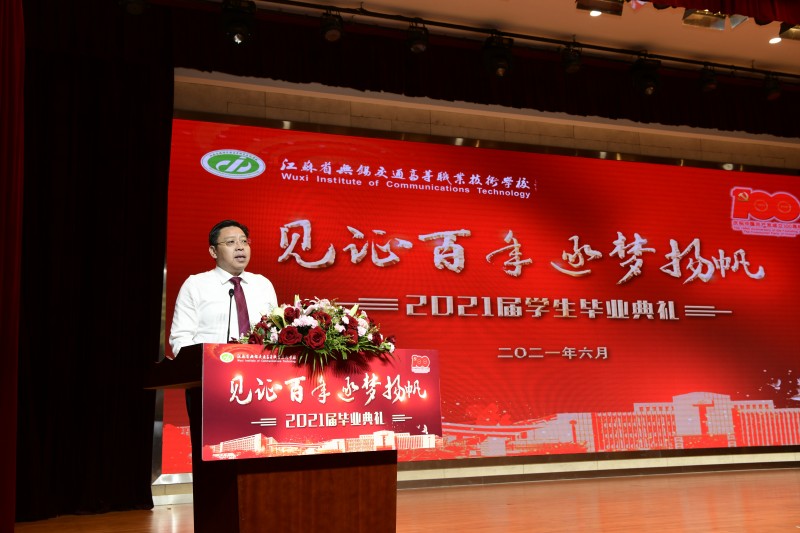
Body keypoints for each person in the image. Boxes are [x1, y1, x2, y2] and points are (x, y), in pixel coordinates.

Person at [169, 219, 278, 356]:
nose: (240, 247)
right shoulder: (195, 285)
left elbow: (275, 333)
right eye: (231, 242)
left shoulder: (263, 284)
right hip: (211, 365)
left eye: (244, 241)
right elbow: (181, 338)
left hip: (257, 365)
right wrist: (202, 363)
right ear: (213, 251)